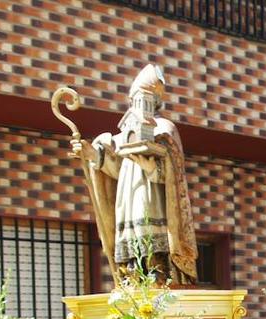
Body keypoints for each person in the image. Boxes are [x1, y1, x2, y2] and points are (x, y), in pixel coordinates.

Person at [72, 64, 197, 283]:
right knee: (132, 252)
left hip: (154, 201)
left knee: (153, 252)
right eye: (136, 98)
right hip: (127, 201)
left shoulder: (164, 127)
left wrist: (152, 168)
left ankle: (160, 277)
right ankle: (132, 278)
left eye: (144, 98)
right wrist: (93, 155)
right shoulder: (124, 134)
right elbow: (118, 169)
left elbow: (174, 172)